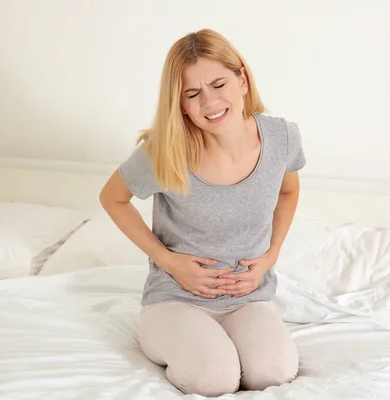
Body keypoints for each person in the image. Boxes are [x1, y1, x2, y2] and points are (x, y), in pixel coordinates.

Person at [99, 28, 306, 397]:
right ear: (179, 103)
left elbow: (288, 191)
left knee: (272, 374)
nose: (209, 102)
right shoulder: (163, 153)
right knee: (215, 379)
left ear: (242, 78)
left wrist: (271, 254)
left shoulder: (282, 138)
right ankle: (180, 343)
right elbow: (113, 199)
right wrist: (168, 260)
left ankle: (223, 342)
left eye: (218, 84)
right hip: (176, 299)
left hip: (248, 297)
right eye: (192, 94)